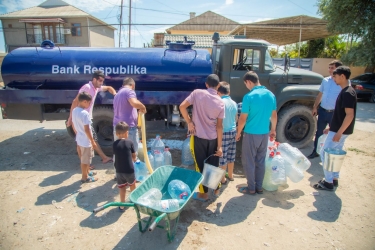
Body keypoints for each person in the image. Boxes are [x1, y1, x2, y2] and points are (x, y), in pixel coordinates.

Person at [179, 74, 225, 201]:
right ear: (218, 86)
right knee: (214, 163)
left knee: (200, 165)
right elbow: (219, 127)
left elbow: (182, 107)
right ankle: (216, 189)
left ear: (206, 84)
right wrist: (219, 146)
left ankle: (203, 194)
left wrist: (189, 122)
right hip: (214, 138)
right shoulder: (221, 102)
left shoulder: (197, 93)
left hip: (198, 136)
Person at [313, 66, 356, 191]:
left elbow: (349, 115)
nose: (334, 78)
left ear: (342, 76)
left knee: (325, 153)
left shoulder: (347, 93)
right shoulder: (347, 91)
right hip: (337, 129)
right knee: (335, 155)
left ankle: (328, 182)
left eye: (335, 76)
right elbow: (341, 115)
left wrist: (339, 132)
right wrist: (332, 128)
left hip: (340, 131)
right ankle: (334, 178)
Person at [235, 71, 277, 195]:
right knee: (260, 160)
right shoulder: (270, 95)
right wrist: (273, 130)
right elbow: (274, 115)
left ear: (248, 81)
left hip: (251, 134)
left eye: (246, 84)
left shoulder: (249, 96)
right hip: (265, 134)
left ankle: (251, 188)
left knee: (248, 161)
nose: (246, 87)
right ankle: (259, 187)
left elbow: (242, 119)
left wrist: (238, 133)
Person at [67, 70, 117, 164]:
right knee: (85, 141)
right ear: (94, 79)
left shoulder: (96, 88)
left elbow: (109, 87)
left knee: (87, 140)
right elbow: (75, 101)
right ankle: (86, 165)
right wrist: (70, 119)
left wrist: (115, 94)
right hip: (81, 118)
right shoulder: (87, 87)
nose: (101, 82)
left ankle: (96, 160)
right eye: (100, 80)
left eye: (102, 80)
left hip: (86, 118)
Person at [308, 60, 343, 159]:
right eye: (329, 67)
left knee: (333, 133)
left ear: (338, 69)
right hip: (323, 111)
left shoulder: (342, 82)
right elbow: (320, 94)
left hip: (334, 113)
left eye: (332, 68)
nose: (330, 70)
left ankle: (330, 154)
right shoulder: (325, 80)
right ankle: (316, 151)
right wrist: (315, 107)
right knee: (319, 132)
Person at [113, 77, 146, 177]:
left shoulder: (118, 94)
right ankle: (132, 176)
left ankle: (118, 175)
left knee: (118, 152)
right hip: (128, 128)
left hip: (117, 127)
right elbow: (134, 103)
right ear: (132, 85)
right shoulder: (129, 91)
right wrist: (143, 107)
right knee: (132, 152)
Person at [72, 92, 98, 183]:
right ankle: (84, 177)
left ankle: (87, 172)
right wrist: (92, 141)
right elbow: (87, 129)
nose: (89, 104)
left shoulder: (74, 110)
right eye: (89, 103)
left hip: (79, 139)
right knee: (85, 160)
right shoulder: (85, 114)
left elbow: (74, 125)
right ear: (84, 102)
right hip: (85, 141)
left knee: (84, 158)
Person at [113, 121, 137, 211]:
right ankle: (134, 202)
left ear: (116, 133)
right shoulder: (130, 142)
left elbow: (117, 155)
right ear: (127, 133)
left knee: (122, 187)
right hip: (129, 170)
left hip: (119, 170)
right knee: (132, 185)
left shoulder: (115, 144)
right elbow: (133, 156)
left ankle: (122, 205)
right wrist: (134, 159)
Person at [217, 81, 238, 184]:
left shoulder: (220, 103)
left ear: (218, 92)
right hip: (233, 131)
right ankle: (230, 175)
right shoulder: (234, 103)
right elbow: (236, 118)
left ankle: (222, 179)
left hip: (224, 133)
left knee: (222, 157)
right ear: (228, 92)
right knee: (231, 155)